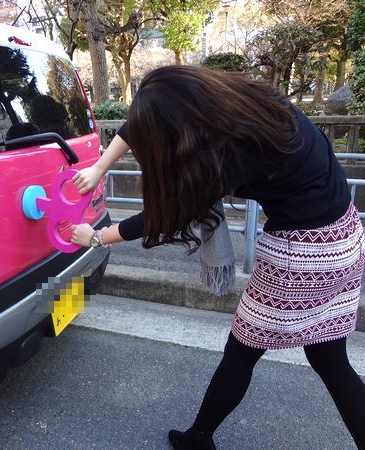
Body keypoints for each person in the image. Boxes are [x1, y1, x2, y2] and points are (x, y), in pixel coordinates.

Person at [71, 66, 365, 450]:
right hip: (346, 235)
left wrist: (95, 236)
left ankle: (198, 439)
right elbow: (145, 120)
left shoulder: (225, 157)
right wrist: (98, 167)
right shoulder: (248, 101)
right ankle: (199, 436)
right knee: (329, 359)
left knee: (241, 352)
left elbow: (165, 215)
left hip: (304, 254)